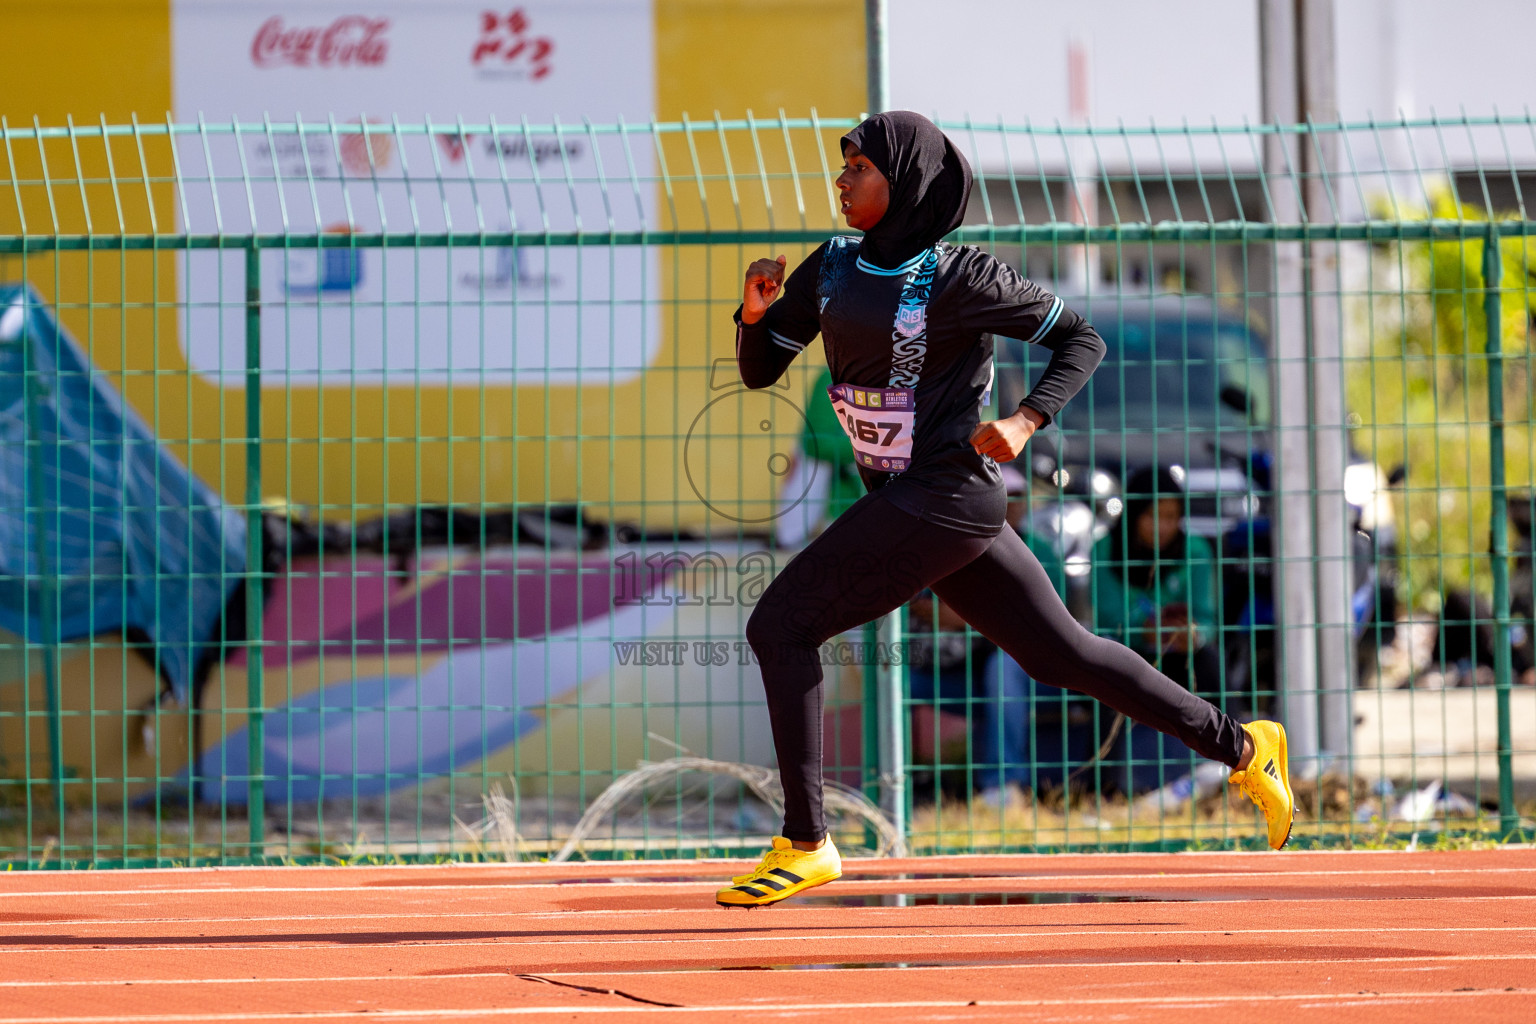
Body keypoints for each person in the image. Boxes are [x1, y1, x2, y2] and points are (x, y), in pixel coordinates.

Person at [718, 111, 1293, 910]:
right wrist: (753, 315)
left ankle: (807, 841)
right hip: (914, 502)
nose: (841, 179)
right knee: (1066, 657)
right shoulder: (833, 267)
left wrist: (1027, 419)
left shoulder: (964, 276)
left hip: (950, 492)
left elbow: (1081, 340)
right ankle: (1244, 745)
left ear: (906, 183)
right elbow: (759, 370)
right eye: (841, 165)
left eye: (859, 167)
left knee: (780, 624)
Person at [1093, 465, 1229, 707]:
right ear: (1134, 514)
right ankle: (1103, 747)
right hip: (1126, 656)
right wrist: (1142, 631)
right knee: (1104, 668)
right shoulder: (1105, 549)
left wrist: (1194, 635)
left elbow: (1206, 617)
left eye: (1171, 517)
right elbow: (1107, 618)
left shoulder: (1195, 551)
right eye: (1152, 516)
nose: (1162, 527)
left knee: (1210, 661)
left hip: (1181, 658)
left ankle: (1236, 742)